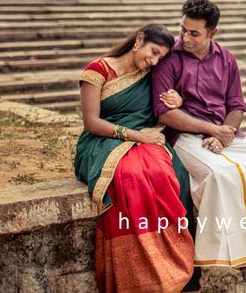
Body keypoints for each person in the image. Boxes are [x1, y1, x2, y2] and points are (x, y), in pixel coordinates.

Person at [152, 0, 246, 278]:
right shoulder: (170, 59)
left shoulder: (226, 59)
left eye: (194, 33)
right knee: (220, 175)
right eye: (183, 30)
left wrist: (224, 135)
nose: (184, 37)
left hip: (225, 132)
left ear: (212, 33)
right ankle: (225, 254)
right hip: (185, 135)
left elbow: (237, 105)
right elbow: (163, 113)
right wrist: (211, 130)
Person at [74, 23, 202, 293]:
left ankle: (169, 264)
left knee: (163, 172)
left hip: (144, 137)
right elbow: (91, 123)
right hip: (102, 142)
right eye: (153, 52)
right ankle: (136, 274)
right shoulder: (97, 71)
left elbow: (171, 100)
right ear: (139, 39)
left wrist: (177, 100)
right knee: (129, 176)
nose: (153, 61)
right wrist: (137, 137)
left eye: (160, 58)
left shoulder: (151, 74)